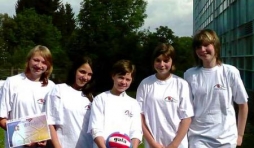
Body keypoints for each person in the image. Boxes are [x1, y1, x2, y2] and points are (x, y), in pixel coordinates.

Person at [184, 29, 249, 148]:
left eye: (206, 45)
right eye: (198, 46)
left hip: (226, 138)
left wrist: (240, 135)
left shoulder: (230, 72)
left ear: (216, 46)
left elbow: (243, 105)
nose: (202, 50)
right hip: (198, 138)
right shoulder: (190, 74)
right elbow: (186, 108)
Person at [136, 43, 194, 148]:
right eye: (158, 60)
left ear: (172, 62)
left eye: (166, 61)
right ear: (153, 62)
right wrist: (152, 143)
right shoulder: (145, 84)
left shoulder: (181, 84)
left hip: (178, 145)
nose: (162, 64)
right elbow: (139, 116)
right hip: (153, 145)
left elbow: (187, 118)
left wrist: (174, 145)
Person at [0, 45, 55, 148]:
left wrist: (46, 138)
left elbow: (53, 119)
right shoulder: (12, 82)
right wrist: (23, 137)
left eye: (44, 62)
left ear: (48, 65)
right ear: (29, 60)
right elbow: (1, 117)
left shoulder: (52, 87)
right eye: (36, 60)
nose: (39, 65)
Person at [88, 59, 142, 148]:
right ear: (113, 76)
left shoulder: (133, 103)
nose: (124, 82)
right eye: (121, 77)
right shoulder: (100, 99)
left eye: (127, 79)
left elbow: (136, 131)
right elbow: (95, 129)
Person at [45, 56, 95, 148]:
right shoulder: (59, 90)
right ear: (74, 70)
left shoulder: (90, 97)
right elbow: (50, 123)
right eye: (82, 72)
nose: (85, 77)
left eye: (89, 74)